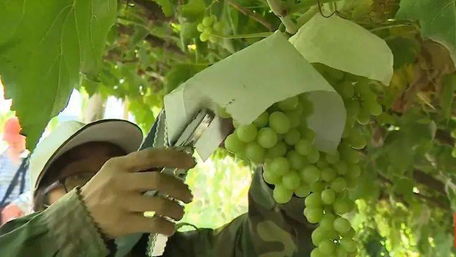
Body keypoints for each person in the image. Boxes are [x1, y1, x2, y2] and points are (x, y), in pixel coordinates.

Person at [0, 118, 314, 257]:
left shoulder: (169, 253)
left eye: (120, 169)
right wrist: (76, 226)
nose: (109, 187)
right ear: (43, 204)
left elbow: (264, 248)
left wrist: (284, 173)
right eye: (82, 179)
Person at [0, 117, 30, 224]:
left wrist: (18, 205)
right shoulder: (2, 159)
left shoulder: (34, 159)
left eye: (15, 140)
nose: (12, 143)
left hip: (23, 218)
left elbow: (38, 188)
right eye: (10, 140)